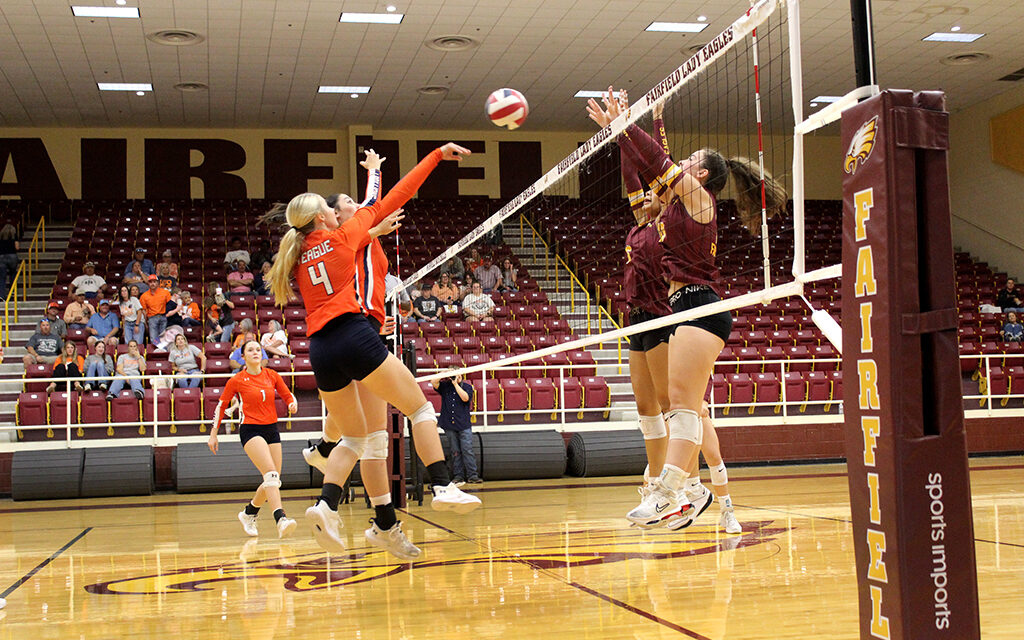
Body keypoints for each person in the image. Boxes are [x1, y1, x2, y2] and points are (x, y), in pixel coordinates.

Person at [263, 142, 480, 560]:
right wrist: (434, 156)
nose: (343, 205)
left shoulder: (295, 254)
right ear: (325, 217)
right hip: (356, 334)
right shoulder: (347, 237)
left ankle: (330, 506)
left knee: (361, 439)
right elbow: (389, 197)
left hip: (321, 349)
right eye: (336, 205)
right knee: (420, 410)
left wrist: (374, 216)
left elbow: (373, 205)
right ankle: (442, 484)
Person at [590, 88, 786, 528]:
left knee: (682, 406)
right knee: (679, 405)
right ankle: (683, 492)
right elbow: (649, 168)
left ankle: (671, 491)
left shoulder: (701, 201)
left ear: (700, 173)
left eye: (689, 160)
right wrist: (620, 133)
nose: (681, 163)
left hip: (700, 307)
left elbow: (659, 161)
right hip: (681, 308)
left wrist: (628, 125)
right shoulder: (674, 207)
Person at [209, 340, 298, 539]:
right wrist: (213, 433)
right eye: (250, 350)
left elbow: (287, 395)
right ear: (243, 356)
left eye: (258, 349)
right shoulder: (237, 380)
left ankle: (249, 513)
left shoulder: (272, 375)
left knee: (272, 480)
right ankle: (281, 519)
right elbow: (221, 406)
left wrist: (292, 403)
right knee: (271, 476)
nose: (256, 352)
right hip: (250, 429)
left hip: (271, 429)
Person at [680, 402, 741, 533]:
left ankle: (727, 511)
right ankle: (691, 502)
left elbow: (707, 380)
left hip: (694, 405)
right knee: (688, 456)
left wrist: (704, 400)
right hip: (677, 411)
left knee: (714, 457)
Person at [433, 370, 481, 485]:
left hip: (463, 424)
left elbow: (465, 398)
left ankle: (472, 475)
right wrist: (443, 374)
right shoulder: (444, 386)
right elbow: (433, 382)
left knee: (467, 450)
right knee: (455, 451)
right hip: (449, 423)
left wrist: (456, 384)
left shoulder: (467, 387)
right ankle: (458, 476)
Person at [139, 275, 171, 344]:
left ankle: (163, 353)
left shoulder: (165, 293)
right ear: (148, 283)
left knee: (164, 338)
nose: (152, 284)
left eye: (154, 282)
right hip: (152, 318)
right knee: (153, 338)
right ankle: (156, 353)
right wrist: (146, 322)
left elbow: (170, 305)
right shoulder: (144, 296)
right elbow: (143, 310)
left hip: (164, 317)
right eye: (150, 282)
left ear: (158, 283)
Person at [0, 223, 20, 300]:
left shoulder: (0, 237)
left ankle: (1, 294)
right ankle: (12, 291)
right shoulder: (14, 237)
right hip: (12, 256)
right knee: (13, 273)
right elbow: (17, 247)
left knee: (2, 277)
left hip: (1, 257)